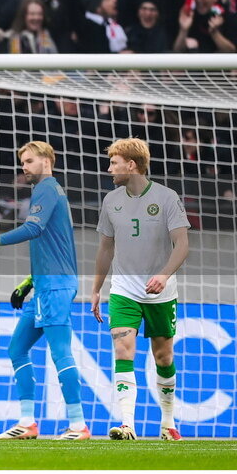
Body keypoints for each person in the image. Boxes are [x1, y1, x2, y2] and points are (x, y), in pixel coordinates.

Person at [0, 141, 89, 440]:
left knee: (60, 352)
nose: (24, 167)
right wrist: (28, 283)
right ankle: (28, 422)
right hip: (45, 284)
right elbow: (51, 245)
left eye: (29, 161)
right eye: (23, 162)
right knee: (17, 348)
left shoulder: (47, 187)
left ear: (46, 161)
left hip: (56, 285)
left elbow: (33, 230)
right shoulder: (47, 191)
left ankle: (78, 425)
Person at [90, 138, 189, 442]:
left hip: (161, 292)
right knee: (123, 349)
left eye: (114, 163)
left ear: (131, 165)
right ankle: (127, 424)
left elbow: (182, 244)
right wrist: (95, 289)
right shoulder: (111, 201)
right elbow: (106, 248)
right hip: (123, 290)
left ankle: (168, 422)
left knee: (163, 356)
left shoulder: (167, 197)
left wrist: (163, 274)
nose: (109, 169)